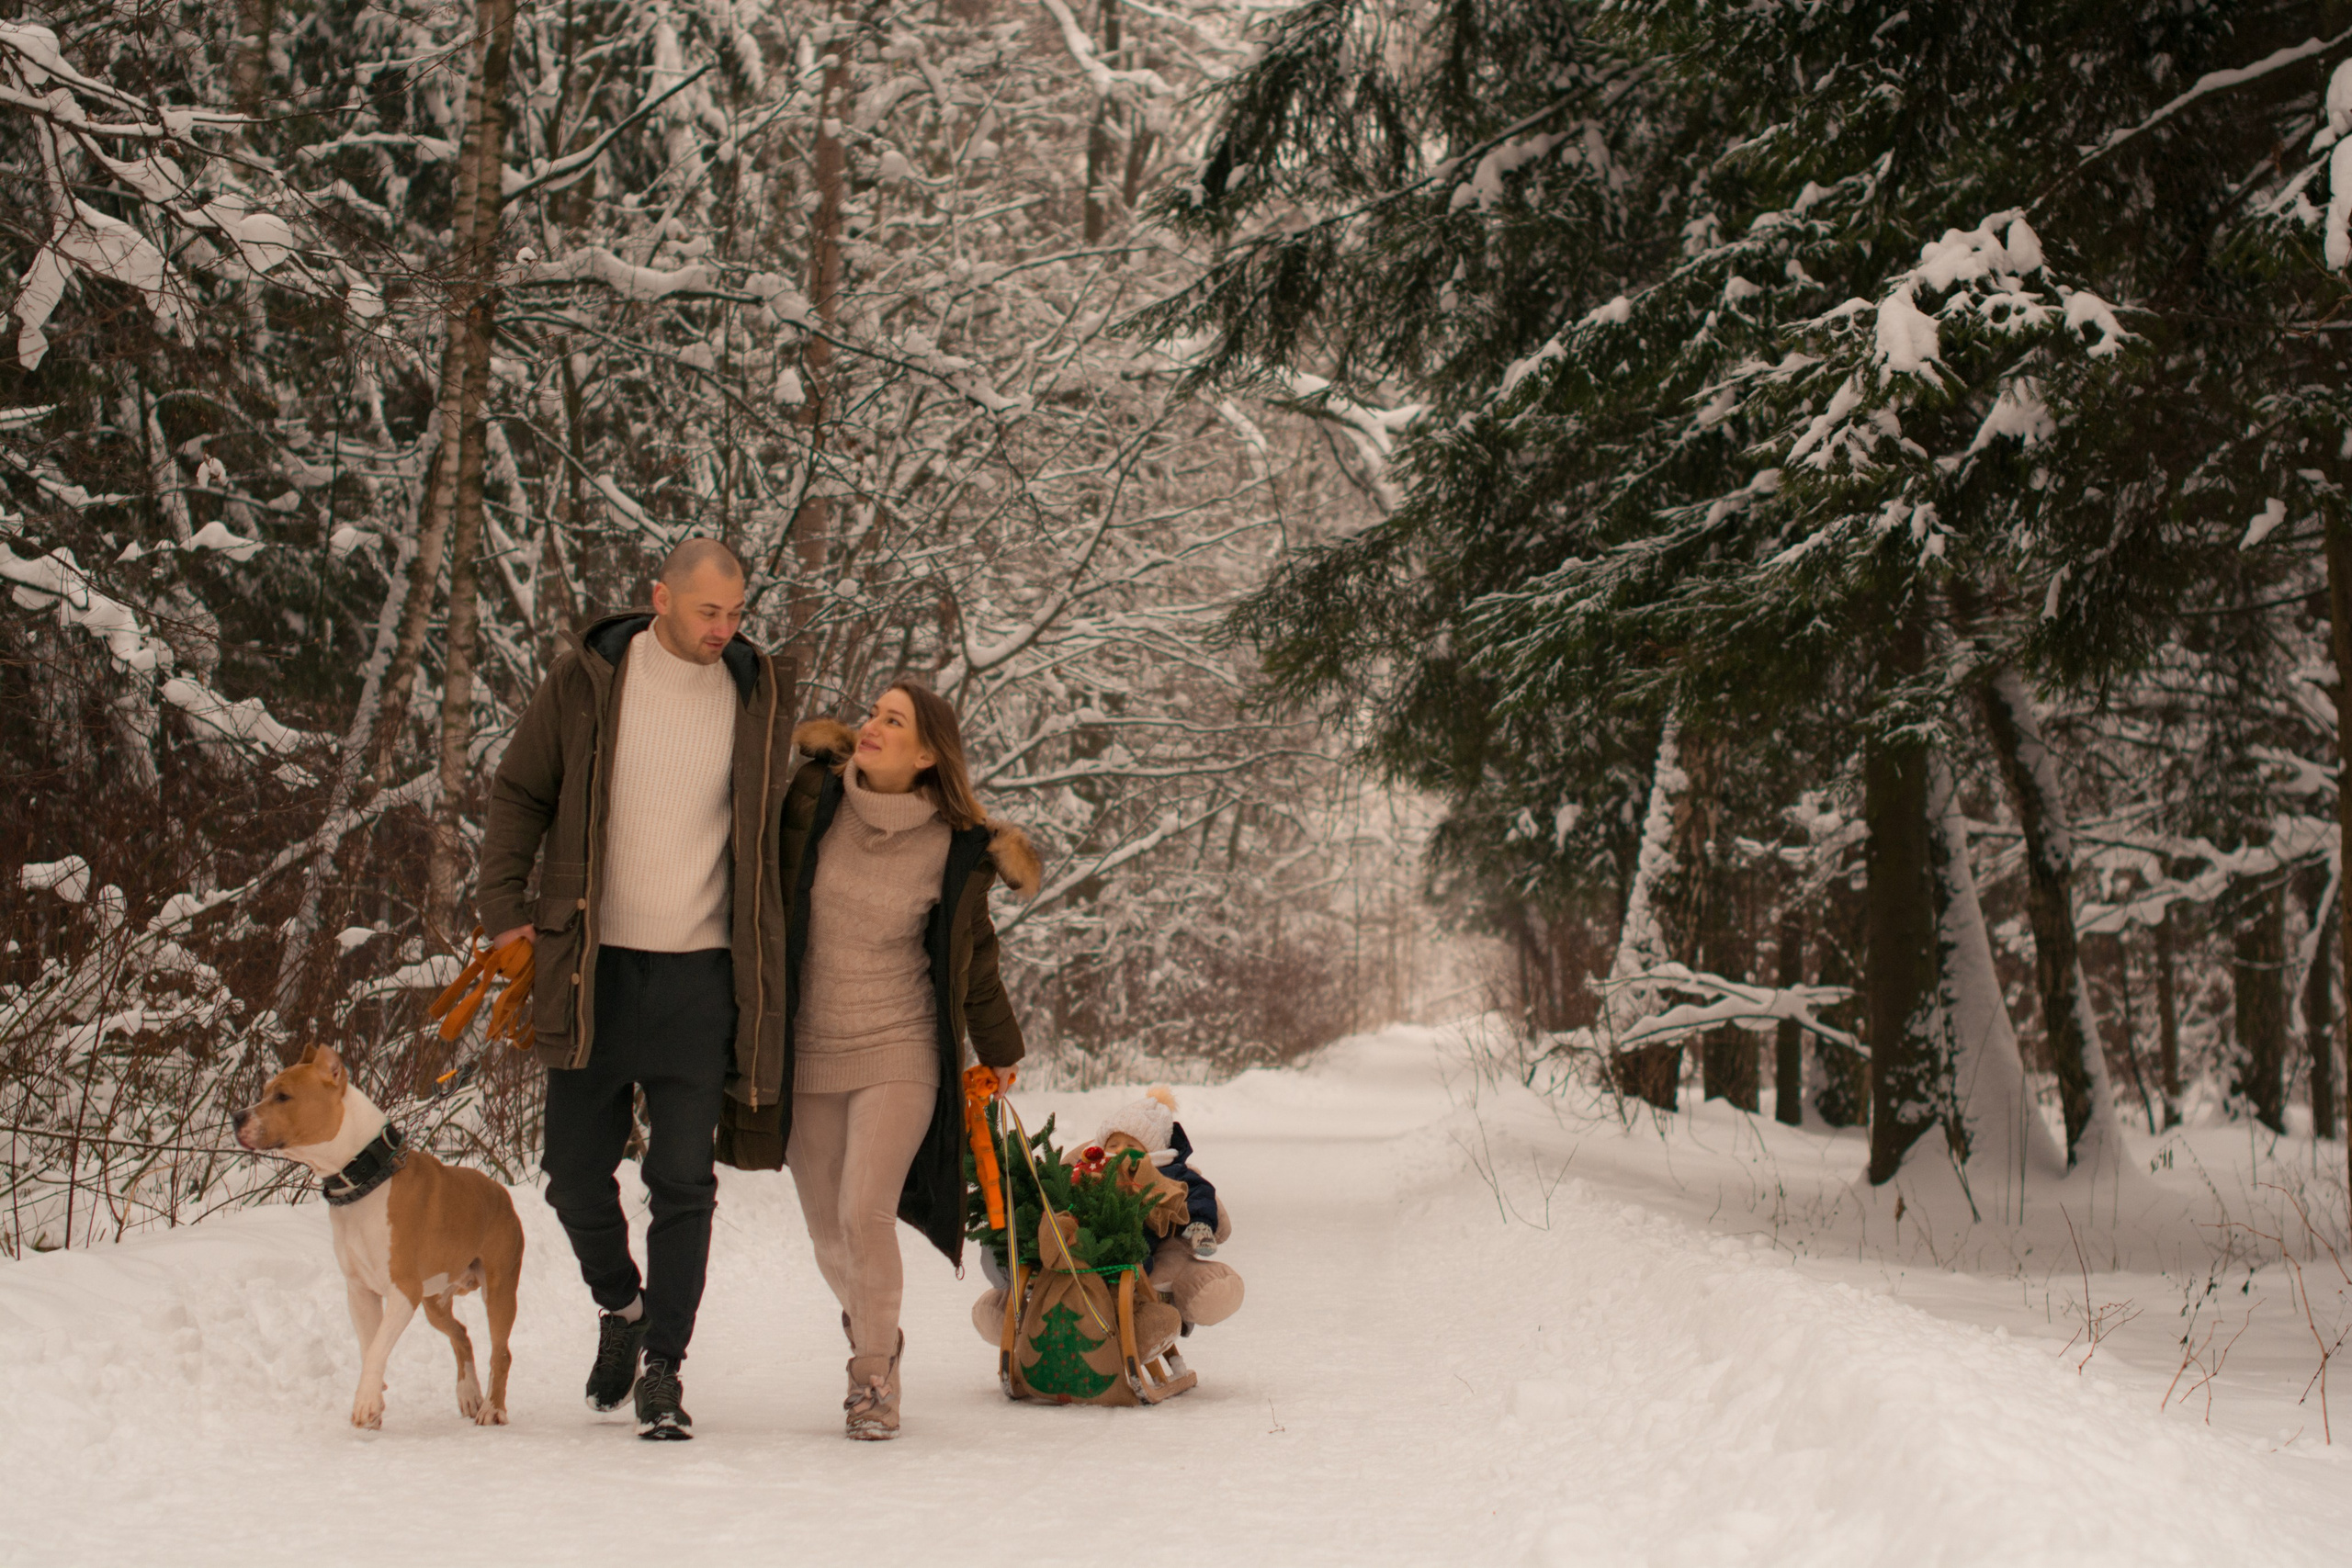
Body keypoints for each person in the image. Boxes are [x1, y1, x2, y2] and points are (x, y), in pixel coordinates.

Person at [474, 537, 792, 1440]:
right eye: (707, 612)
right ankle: (622, 1310)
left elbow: (785, 821)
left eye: (735, 614)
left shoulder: (756, 692)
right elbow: (519, 793)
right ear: (660, 597)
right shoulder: (587, 682)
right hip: (594, 970)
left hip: (704, 979)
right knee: (573, 1173)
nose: (723, 631)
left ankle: (663, 1369)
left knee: (682, 1182)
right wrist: (504, 912)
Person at [716, 679, 1037, 1439]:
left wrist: (1001, 1050)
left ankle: (871, 1383)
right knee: (830, 1231)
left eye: (894, 721)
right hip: (808, 1048)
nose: (872, 726)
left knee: (866, 1212)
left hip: (899, 1044)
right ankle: (881, 1336)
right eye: (873, 714)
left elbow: (974, 958)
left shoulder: (957, 848)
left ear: (927, 752)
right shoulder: (812, 804)